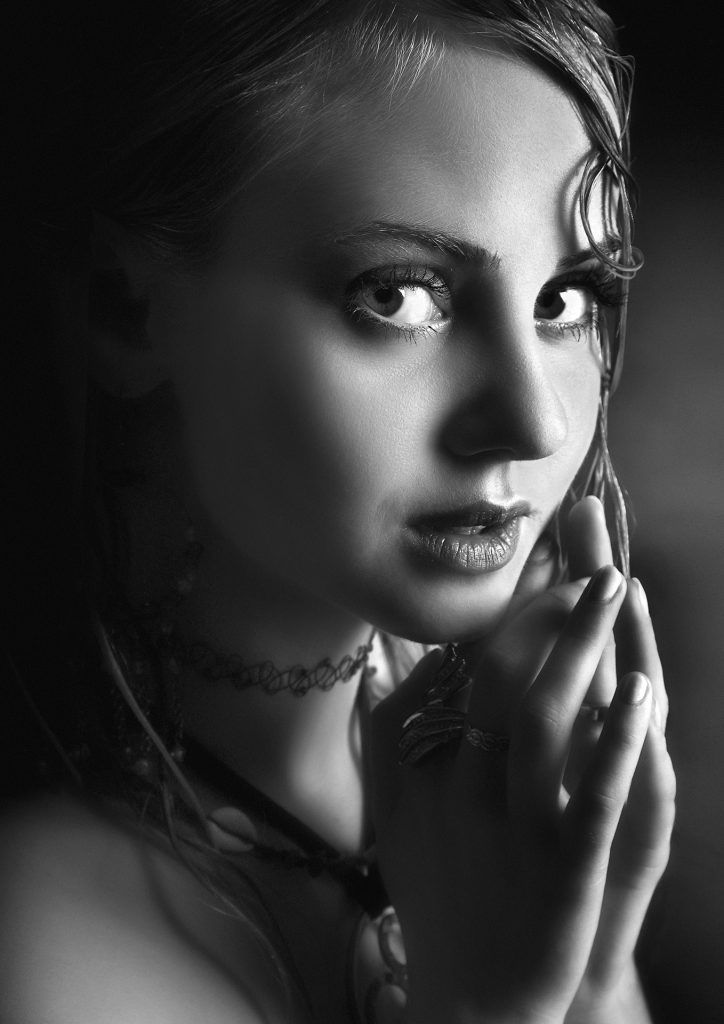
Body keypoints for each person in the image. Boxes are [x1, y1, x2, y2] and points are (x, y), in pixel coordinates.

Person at [1, 1, 676, 1022]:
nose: (534, 420)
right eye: (399, 297)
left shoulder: (532, 807)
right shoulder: (42, 941)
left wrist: (599, 973)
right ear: (124, 309)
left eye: (565, 299)